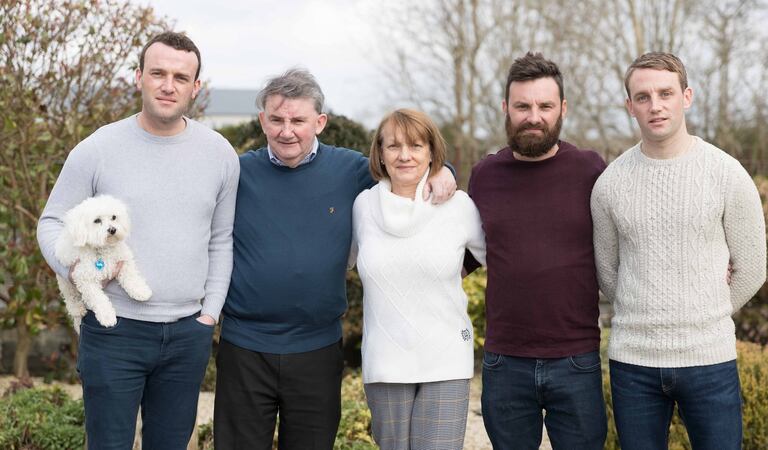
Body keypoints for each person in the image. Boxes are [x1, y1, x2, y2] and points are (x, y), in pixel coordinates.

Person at [214, 69, 457, 449]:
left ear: (320, 122)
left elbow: (404, 168)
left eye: (298, 120)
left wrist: (444, 171)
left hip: (317, 348)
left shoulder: (350, 170)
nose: (286, 130)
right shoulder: (238, 173)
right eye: (276, 120)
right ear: (263, 120)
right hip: (245, 348)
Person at [37, 31, 239, 450]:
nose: (169, 85)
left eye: (181, 77)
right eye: (158, 73)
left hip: (188, 333)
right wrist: (76, 270)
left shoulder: (219, 153)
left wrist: (209, 316)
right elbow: (51, 222)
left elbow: (221, 241)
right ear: (138, 77)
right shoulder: (98, 148)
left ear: (195, 87)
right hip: (114, 333)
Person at [591, 52, 767, 449]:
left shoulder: (727, 174)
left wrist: (704, 312)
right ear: (629, 106)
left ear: (686, 96)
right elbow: (608, 273)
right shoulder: (610, 184)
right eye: (643, 97)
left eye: (665, 93)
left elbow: (752, 268)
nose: (655, 106)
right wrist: (648, 312)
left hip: (710, 357)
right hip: (633, 363)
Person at [465, 52, 608, 449]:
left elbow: (629, 236)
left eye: (545, 106)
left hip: (576, 358)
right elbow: (466, 253)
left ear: (562, 109)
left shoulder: (590, 170)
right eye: (523, 106)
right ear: (505, 108)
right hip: (504, 360)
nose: (534, 117)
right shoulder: (486, 175)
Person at [350, 109, 486, 449]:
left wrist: (447, 271)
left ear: (431, 152)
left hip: (446, 358)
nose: (405, 155)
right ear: (380, 153)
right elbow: (347, 262)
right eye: (393, 146)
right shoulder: (363, 207)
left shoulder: (458, 206)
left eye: (416, 145)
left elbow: (489, 256)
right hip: (384, 363)